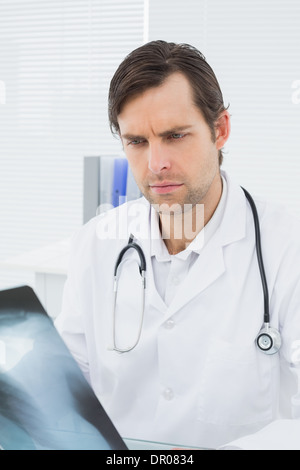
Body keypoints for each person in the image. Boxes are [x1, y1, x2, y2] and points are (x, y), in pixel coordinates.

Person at [55, 40, 300, 449]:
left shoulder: (287, 246)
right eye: (137, 141)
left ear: (219, 130)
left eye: (174, 135)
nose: (156, 163)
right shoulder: (95, 244)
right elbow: (67, 387)